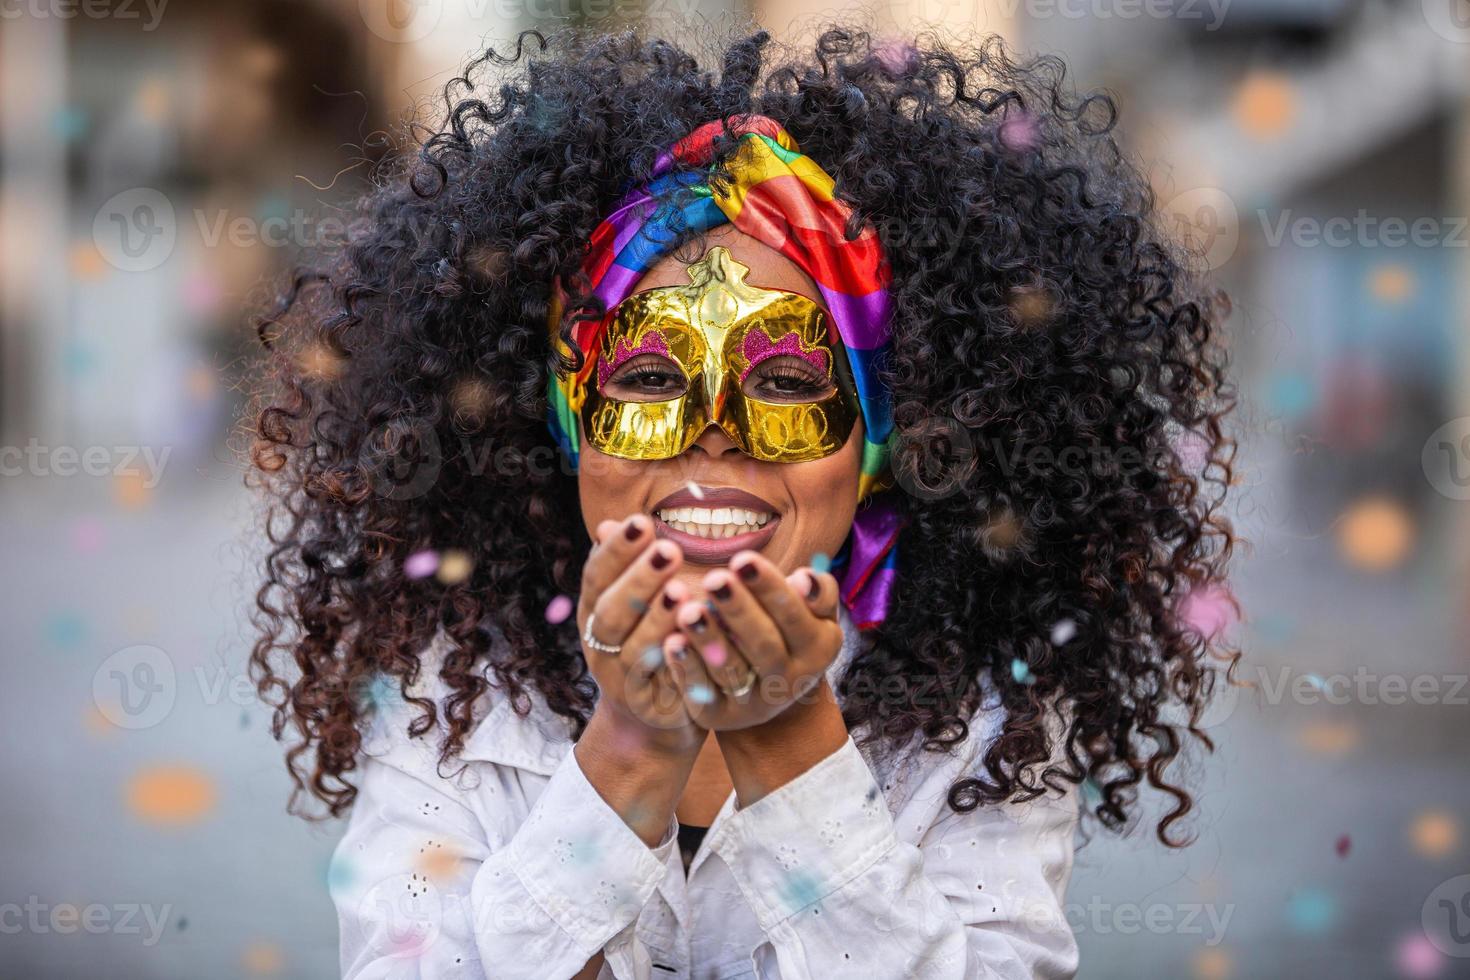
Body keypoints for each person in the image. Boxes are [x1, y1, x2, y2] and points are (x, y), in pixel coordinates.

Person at [248, 24, 1237, 979]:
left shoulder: (983, 716)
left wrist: (789, 743)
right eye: (646, 373)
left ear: (878, 436)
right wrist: (626, 758)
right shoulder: (449, 702)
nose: (712, 428)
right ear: (567, 417)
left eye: (789, 379)